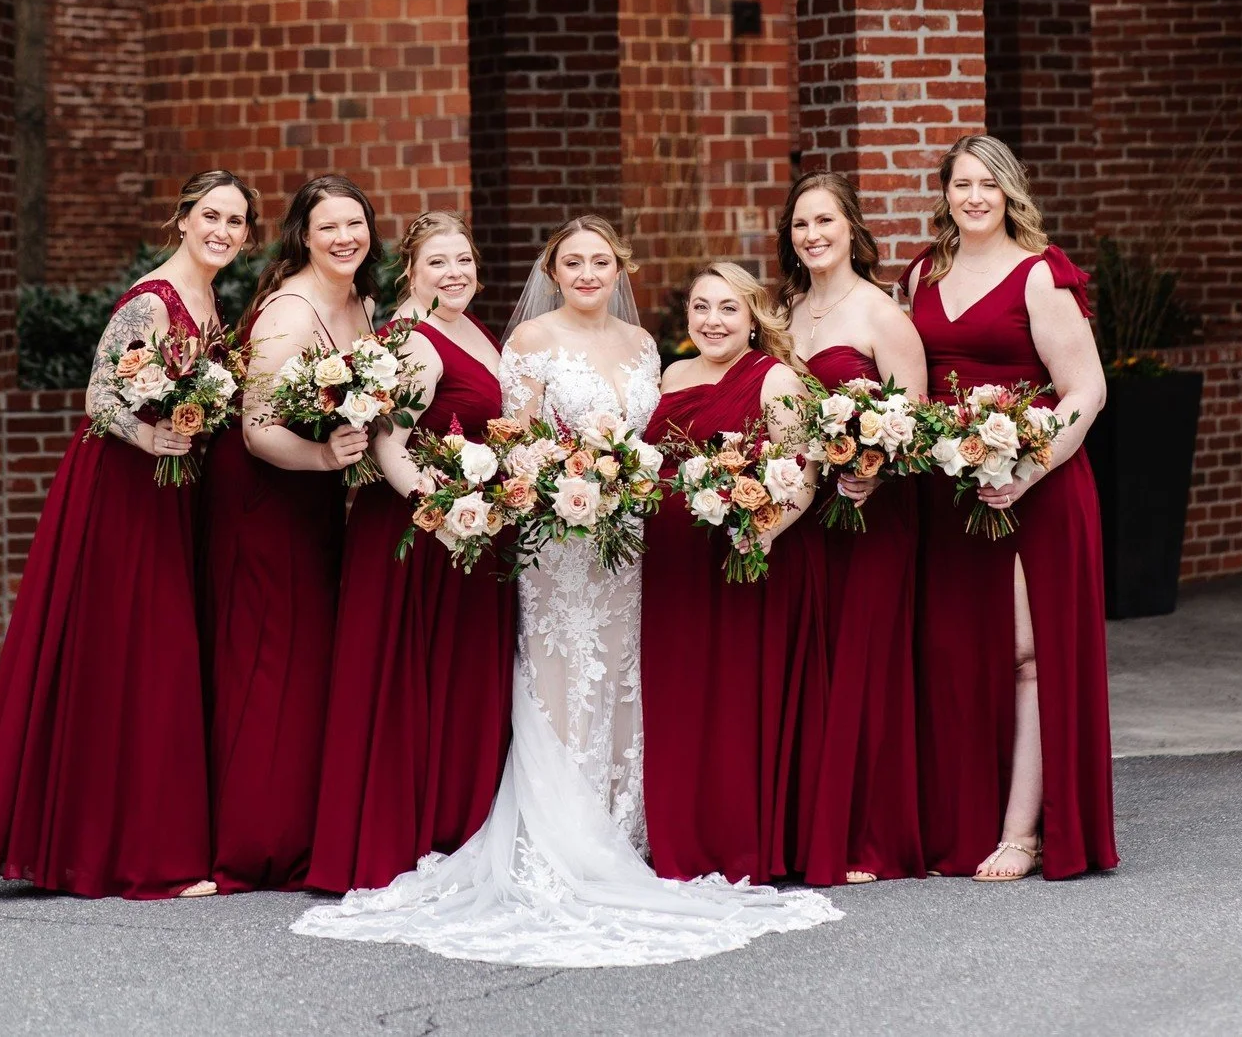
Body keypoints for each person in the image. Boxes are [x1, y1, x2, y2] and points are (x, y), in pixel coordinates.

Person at [294, 217, 840, 966]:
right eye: (573, 262)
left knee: (624, 677)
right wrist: (561, 481)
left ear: (620, 268)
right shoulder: (528, 341)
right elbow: (515, 443)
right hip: (559, 541)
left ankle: (625, 831)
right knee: (559, 671)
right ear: (553, 269)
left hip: (631, 542)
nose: (588, 273)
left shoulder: (649, 347)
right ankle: (559, 839)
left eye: (601, 261)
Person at [0, 170, 257, 898]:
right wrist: (152, 441)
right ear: (181, 219)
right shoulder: (153, 299)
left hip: (168, 490)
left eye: (237, 222)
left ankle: (120, 832)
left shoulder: (211, 297)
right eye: (210, 215)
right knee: (135, 653)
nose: (222, 230)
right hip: (122, 488)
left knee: (151, 655)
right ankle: (125, 849)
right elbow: (98, 395)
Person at [907, 135, 1117, 881]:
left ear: (1009, 193)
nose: (973, 197)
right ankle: (961, 823)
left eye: (987, 185)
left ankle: (1023, 832)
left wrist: (1027, 469)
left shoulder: (1040, 276)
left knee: (1029, 657)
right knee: (961, 654)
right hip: (952, 495)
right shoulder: (922, 275)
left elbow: (1086, 390)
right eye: (961, 184)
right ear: (946, 192)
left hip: (1040, 487)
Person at [306, 212, 515, 892]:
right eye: (438, 264)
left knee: (456, 680)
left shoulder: (469, 328)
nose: (454, 274)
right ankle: (401, 833)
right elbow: (387, 443)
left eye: (464, 260)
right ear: (412, 271)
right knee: (410, 678)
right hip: (419, 535)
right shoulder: (416, 340)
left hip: (468, 526)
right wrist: (440, 512)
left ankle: (453, 821)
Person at [199, 174, 377, 892]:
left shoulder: (362, 303)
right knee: (267, 666)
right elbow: (256, 428)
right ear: (304, 235)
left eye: (356, 224)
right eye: (329, 226)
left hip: (317, 502)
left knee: (310, 666)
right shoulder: (290, 312)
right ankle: (251, 844)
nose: (344, 238)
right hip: (266, 498)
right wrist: (324, 456)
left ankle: (301, 829)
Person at [640, 261, 823, 884]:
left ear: (753, 318)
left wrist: (760, 533)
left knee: (735, 697)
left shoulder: (773, 380)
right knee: (680, 694)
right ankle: (680, 842)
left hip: (740, 559)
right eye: (701, 307)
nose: (712, 321)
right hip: (670, 563)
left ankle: (740, 844)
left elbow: (803, 474)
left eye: (727, 309)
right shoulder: (672, 373)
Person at [778, 172, 928, 885]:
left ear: (851, 230)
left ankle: (869, 836)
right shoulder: (785, 310)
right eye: (801, 224)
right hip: (805, 515)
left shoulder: (882, 316)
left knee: (866, 664)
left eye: (825, 222)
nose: (812, 235)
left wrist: (876, 467)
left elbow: (916, 422)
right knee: (815, 663)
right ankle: (812, 827)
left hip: (873, 513)